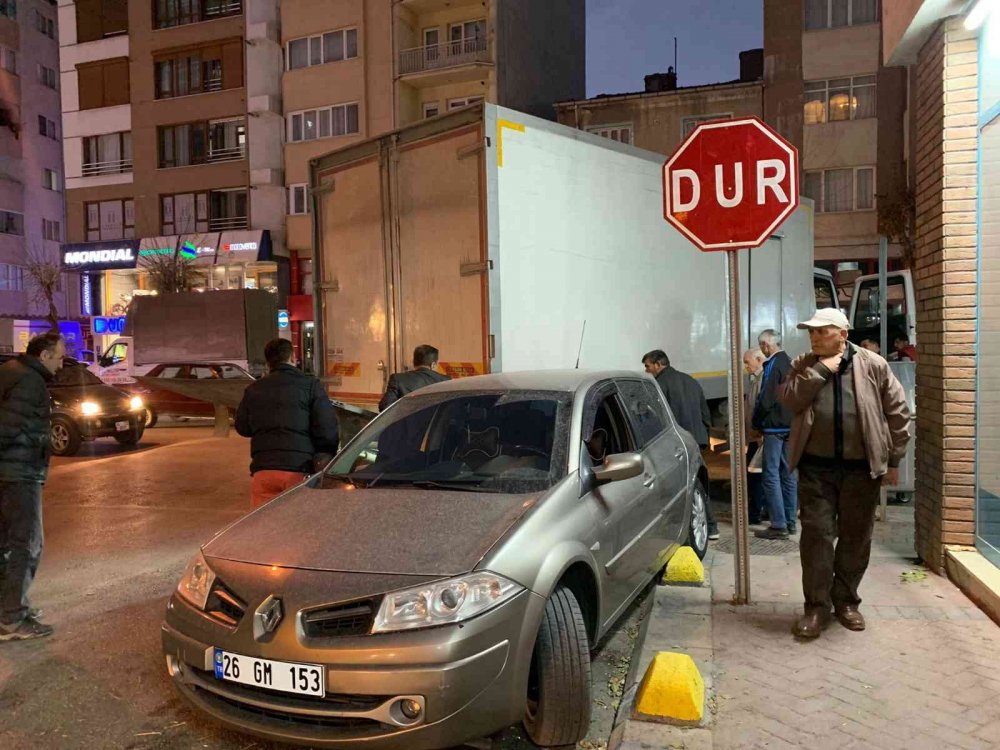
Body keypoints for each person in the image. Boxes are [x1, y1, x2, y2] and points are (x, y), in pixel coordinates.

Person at [780, 308, 910, 639]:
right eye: (811, 331)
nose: (814, 336)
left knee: (855, 537)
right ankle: (816, 608)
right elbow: (789, 400)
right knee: (817, 537)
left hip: (861, 469)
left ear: (843, 334)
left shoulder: (874, 365)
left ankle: (847, 602)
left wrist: (894, 459)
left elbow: (898, 412)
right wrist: (821, 370)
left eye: (822, 331)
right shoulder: (804, 364)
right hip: (815, 469)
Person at [0, 332, 65, 641]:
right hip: (19, 474)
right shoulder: (30, 382)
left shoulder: (12, 371)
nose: (62, 363)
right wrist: (39, 442)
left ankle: (8, 607)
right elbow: (8, 427)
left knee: (7, 544)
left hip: (9, 474)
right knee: (27, 543)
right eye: (60, 357)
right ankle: (12, 619)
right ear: (44, 356)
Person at [235, 338, 339, 508]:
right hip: (299, 468)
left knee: (263, 524)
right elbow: (327, 428)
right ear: (292, 357)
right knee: (297, 525)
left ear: (268, 361)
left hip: (264, 469)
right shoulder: (310, 386)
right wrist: (326, 454)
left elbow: (242, 427)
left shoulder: (254, 389)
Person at [642, 349, 719, 540]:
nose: (646, 371)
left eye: (648, 366)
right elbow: (705, 412)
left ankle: (707, 525)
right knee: (696, 480)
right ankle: (709, 526)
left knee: (686, 484)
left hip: (678, 442)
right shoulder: (689, 380)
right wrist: (704, 436)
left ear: (659, 364)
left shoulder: (658, 385)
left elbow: (657, 418)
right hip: (697, 438)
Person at [752, 329, 798, 540]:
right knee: (788, 475)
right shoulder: (790, 362)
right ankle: (790, 522)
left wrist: (757, 421)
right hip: (791, 425)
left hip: (774, 427)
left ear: (766, 346)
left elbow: (766, 397)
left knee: (770, 475)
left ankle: (778, 524)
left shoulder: (772, 365)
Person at [379, 345, 450, 412]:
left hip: (406, 423)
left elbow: (385, 407)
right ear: (433, 364)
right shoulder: (445, 380)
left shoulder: (397, 379)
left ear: (413, 362)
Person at [743, 348, 766, 525]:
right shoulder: (756, 379)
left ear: (758, 360)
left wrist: (758, 432)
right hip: (754, 435)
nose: (746, 366)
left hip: (758, 436)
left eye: (747, 362)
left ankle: (756, 512)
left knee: (755, 475)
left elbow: (760, 408)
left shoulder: (762, 379)